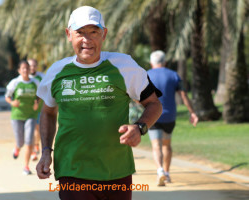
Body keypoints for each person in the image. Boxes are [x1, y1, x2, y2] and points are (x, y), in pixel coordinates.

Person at [36, 6, 163, 200]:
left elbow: (154, 104)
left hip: (117, 171)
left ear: (104, 34)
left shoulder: (124, 65)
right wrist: (46, 151)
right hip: (73, 170)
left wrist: (139, 127)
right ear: (68, 34)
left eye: (93, 32)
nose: (87, 40)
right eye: (80, 33)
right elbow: (48, 113)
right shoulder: (57, 72)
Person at [147, 50, 199, 186]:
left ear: (151, 63)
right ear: (165, 62)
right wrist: (192, 113)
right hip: (170, 116)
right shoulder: (174, 75)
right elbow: (183, 95)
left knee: (156, 145)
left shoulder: (146, 75)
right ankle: (167, 173)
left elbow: (137, 96)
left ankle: (159, 171)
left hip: (152, 115)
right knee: (167, 144)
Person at [5, 60, 40, 175]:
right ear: (19, 70)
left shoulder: (35, 82)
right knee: (20, 141)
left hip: (31, 115)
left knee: (29, 140)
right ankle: (17, 147)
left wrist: (36, 103)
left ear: (30, 70)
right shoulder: (14, 82)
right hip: (17, 115)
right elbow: (7, 97)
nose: (25, 70)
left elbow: (39, 95)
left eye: (27, 68)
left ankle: (26, 166)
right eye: (23, 68)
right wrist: (12, 102)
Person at [28, 58, 44, 161]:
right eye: (30, 66)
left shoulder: (42, 77)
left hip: (39, 107)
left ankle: (35, 146)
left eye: (34, 65)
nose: (32, 68)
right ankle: (34, 148)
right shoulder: (24, 77)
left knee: (36, 128)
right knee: (31, 129)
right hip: (27, 108)